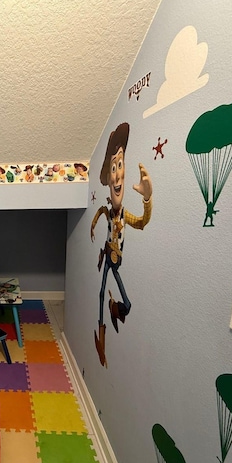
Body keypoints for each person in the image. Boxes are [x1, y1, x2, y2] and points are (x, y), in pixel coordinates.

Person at [90, 123, 152, 367]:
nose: (117, 175)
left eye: (120, 165)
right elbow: (102, 212)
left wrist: (147, 198)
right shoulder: (110, 211)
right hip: (107, 256)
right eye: (113, 167)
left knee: (121, 289)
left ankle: (121, 307)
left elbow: (143, 222)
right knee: (100, 290)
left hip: (116, 258)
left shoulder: (125, 215)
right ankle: (102, 334)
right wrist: (93, 226)